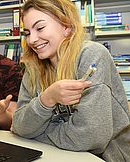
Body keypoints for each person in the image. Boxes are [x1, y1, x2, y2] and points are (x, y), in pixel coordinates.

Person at [11, 0, 130, 161]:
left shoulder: (92, 54)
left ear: (66, 26)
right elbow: (19, 125)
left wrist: (37, 132)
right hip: (55, 154)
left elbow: (90, 138)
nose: (32, 40)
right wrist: (47, 99)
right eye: (27, 33)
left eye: (40, 28)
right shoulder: (33, 67)